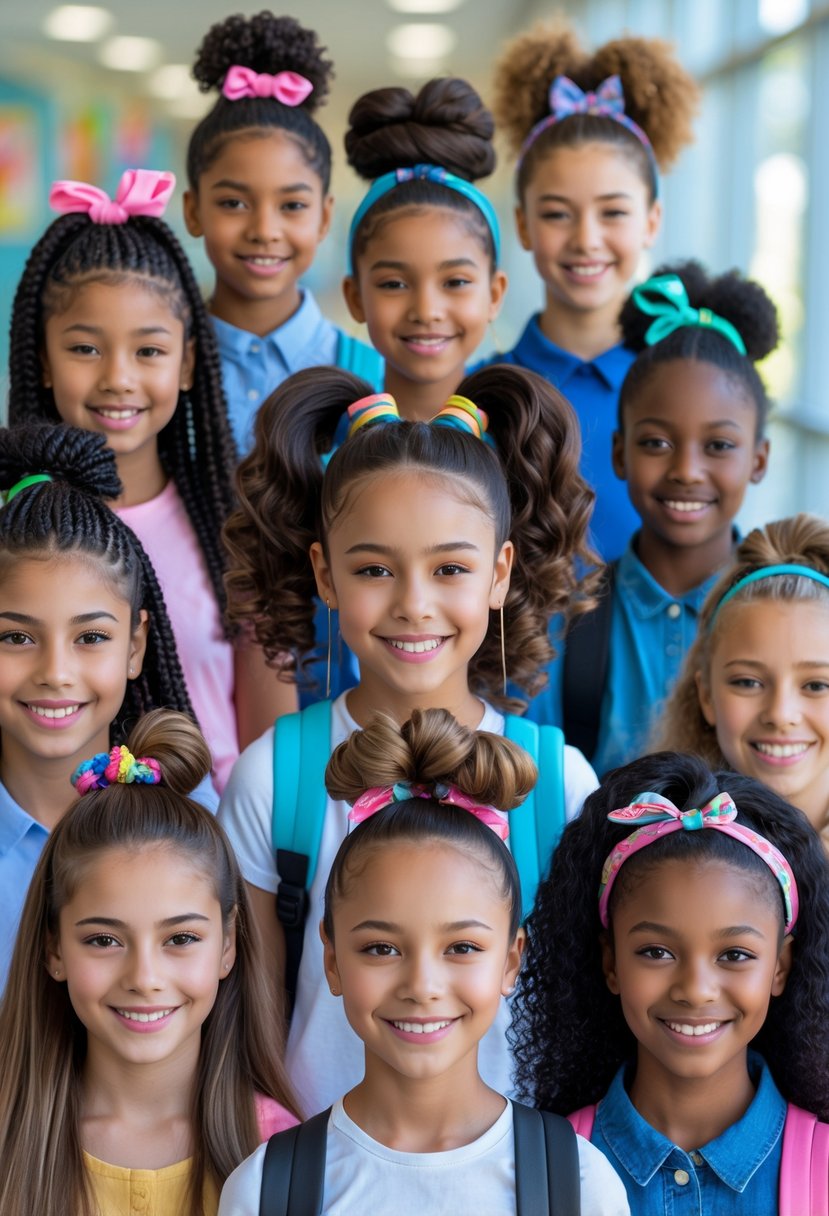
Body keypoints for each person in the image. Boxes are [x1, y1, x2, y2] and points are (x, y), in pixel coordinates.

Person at [219, 363, 599, 1114]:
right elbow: (248, 1030)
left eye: (449, 568)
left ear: (497, 575)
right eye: (374, 569)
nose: (413, 605)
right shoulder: (275, 779)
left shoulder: (559, 787)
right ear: (324, 574)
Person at [218, 707, 629, 1216]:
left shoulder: (581, 1183)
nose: (422, 985)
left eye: (461, 948)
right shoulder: (264, 1188)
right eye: (381, 948)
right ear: (331, 959)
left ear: (510, 961)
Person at [7, 168, 294, 791]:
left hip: (210, 847)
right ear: (44, 361)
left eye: (149, 351)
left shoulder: (237, 525)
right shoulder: (13, 533)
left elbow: (270, 755)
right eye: (85, 349)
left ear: (188, 361)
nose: (119, 378)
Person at [0, 707, 299, 1216]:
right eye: (104, 941)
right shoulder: (10, 1136)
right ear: (54, 949)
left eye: (180, 938)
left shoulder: (288, 1156)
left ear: (227, 944)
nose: (144, 978)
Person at [512, 749, 829, 1214]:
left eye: (735, 955)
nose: (696, 989)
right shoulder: (538, 1168)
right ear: (610, 962)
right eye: (656, 952)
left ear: (780, 966)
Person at [523, 261, 775, 775]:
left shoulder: (790, 615)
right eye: (656, 442)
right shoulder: (568, 619)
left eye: (719, 445)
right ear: (619, 454)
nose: (686, 471)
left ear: (759, 459)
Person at [0, 423, 219, 990]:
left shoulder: (192, 815)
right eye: (16, 637)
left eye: (91, 637)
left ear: (135, 646)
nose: (55, 672)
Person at [489, 22, 698, 559]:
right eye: (558, 213)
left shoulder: (691, 384)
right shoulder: (486, 396)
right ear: (524, 225)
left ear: (652, 222)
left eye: (613, 212)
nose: (586, 240)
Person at [183, 10, 382, 454]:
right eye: (233, 203)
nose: (264, 230)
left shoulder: (371, 376)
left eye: (292, 205)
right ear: (193, 211)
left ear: (325, 217)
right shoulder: (156, 364)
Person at [658, 514, 829, 848]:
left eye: (817, 685)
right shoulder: (655, 854)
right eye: (748, 682)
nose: (780, 714)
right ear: (705, 695)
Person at [342, 76, 507, 421]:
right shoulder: (320, 448)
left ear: (494, 294)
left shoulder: (525, 449)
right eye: (394, 284)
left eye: (456, 282)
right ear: (355, 297)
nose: (427, 310)